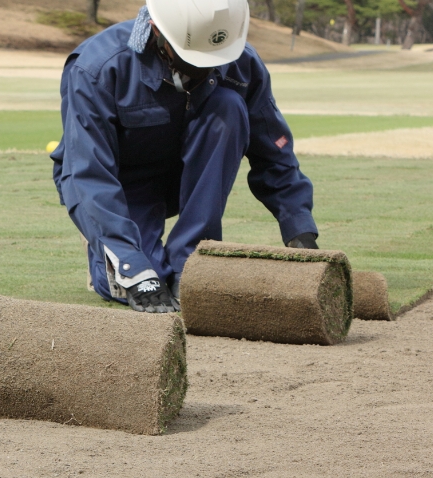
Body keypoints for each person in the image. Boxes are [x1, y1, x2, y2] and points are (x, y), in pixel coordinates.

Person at [51, 0, 317, 314]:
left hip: (191, 178)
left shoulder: (240, 61)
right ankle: (110, 244)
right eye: (195, 59)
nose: (208, 69)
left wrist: (299, 229)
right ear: (156, 31)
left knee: (229, 106)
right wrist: (130, 265)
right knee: (143, 279)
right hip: (122, 187)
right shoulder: (97, 68)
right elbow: (86, 174)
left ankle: (191, 259)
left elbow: (274, 151)